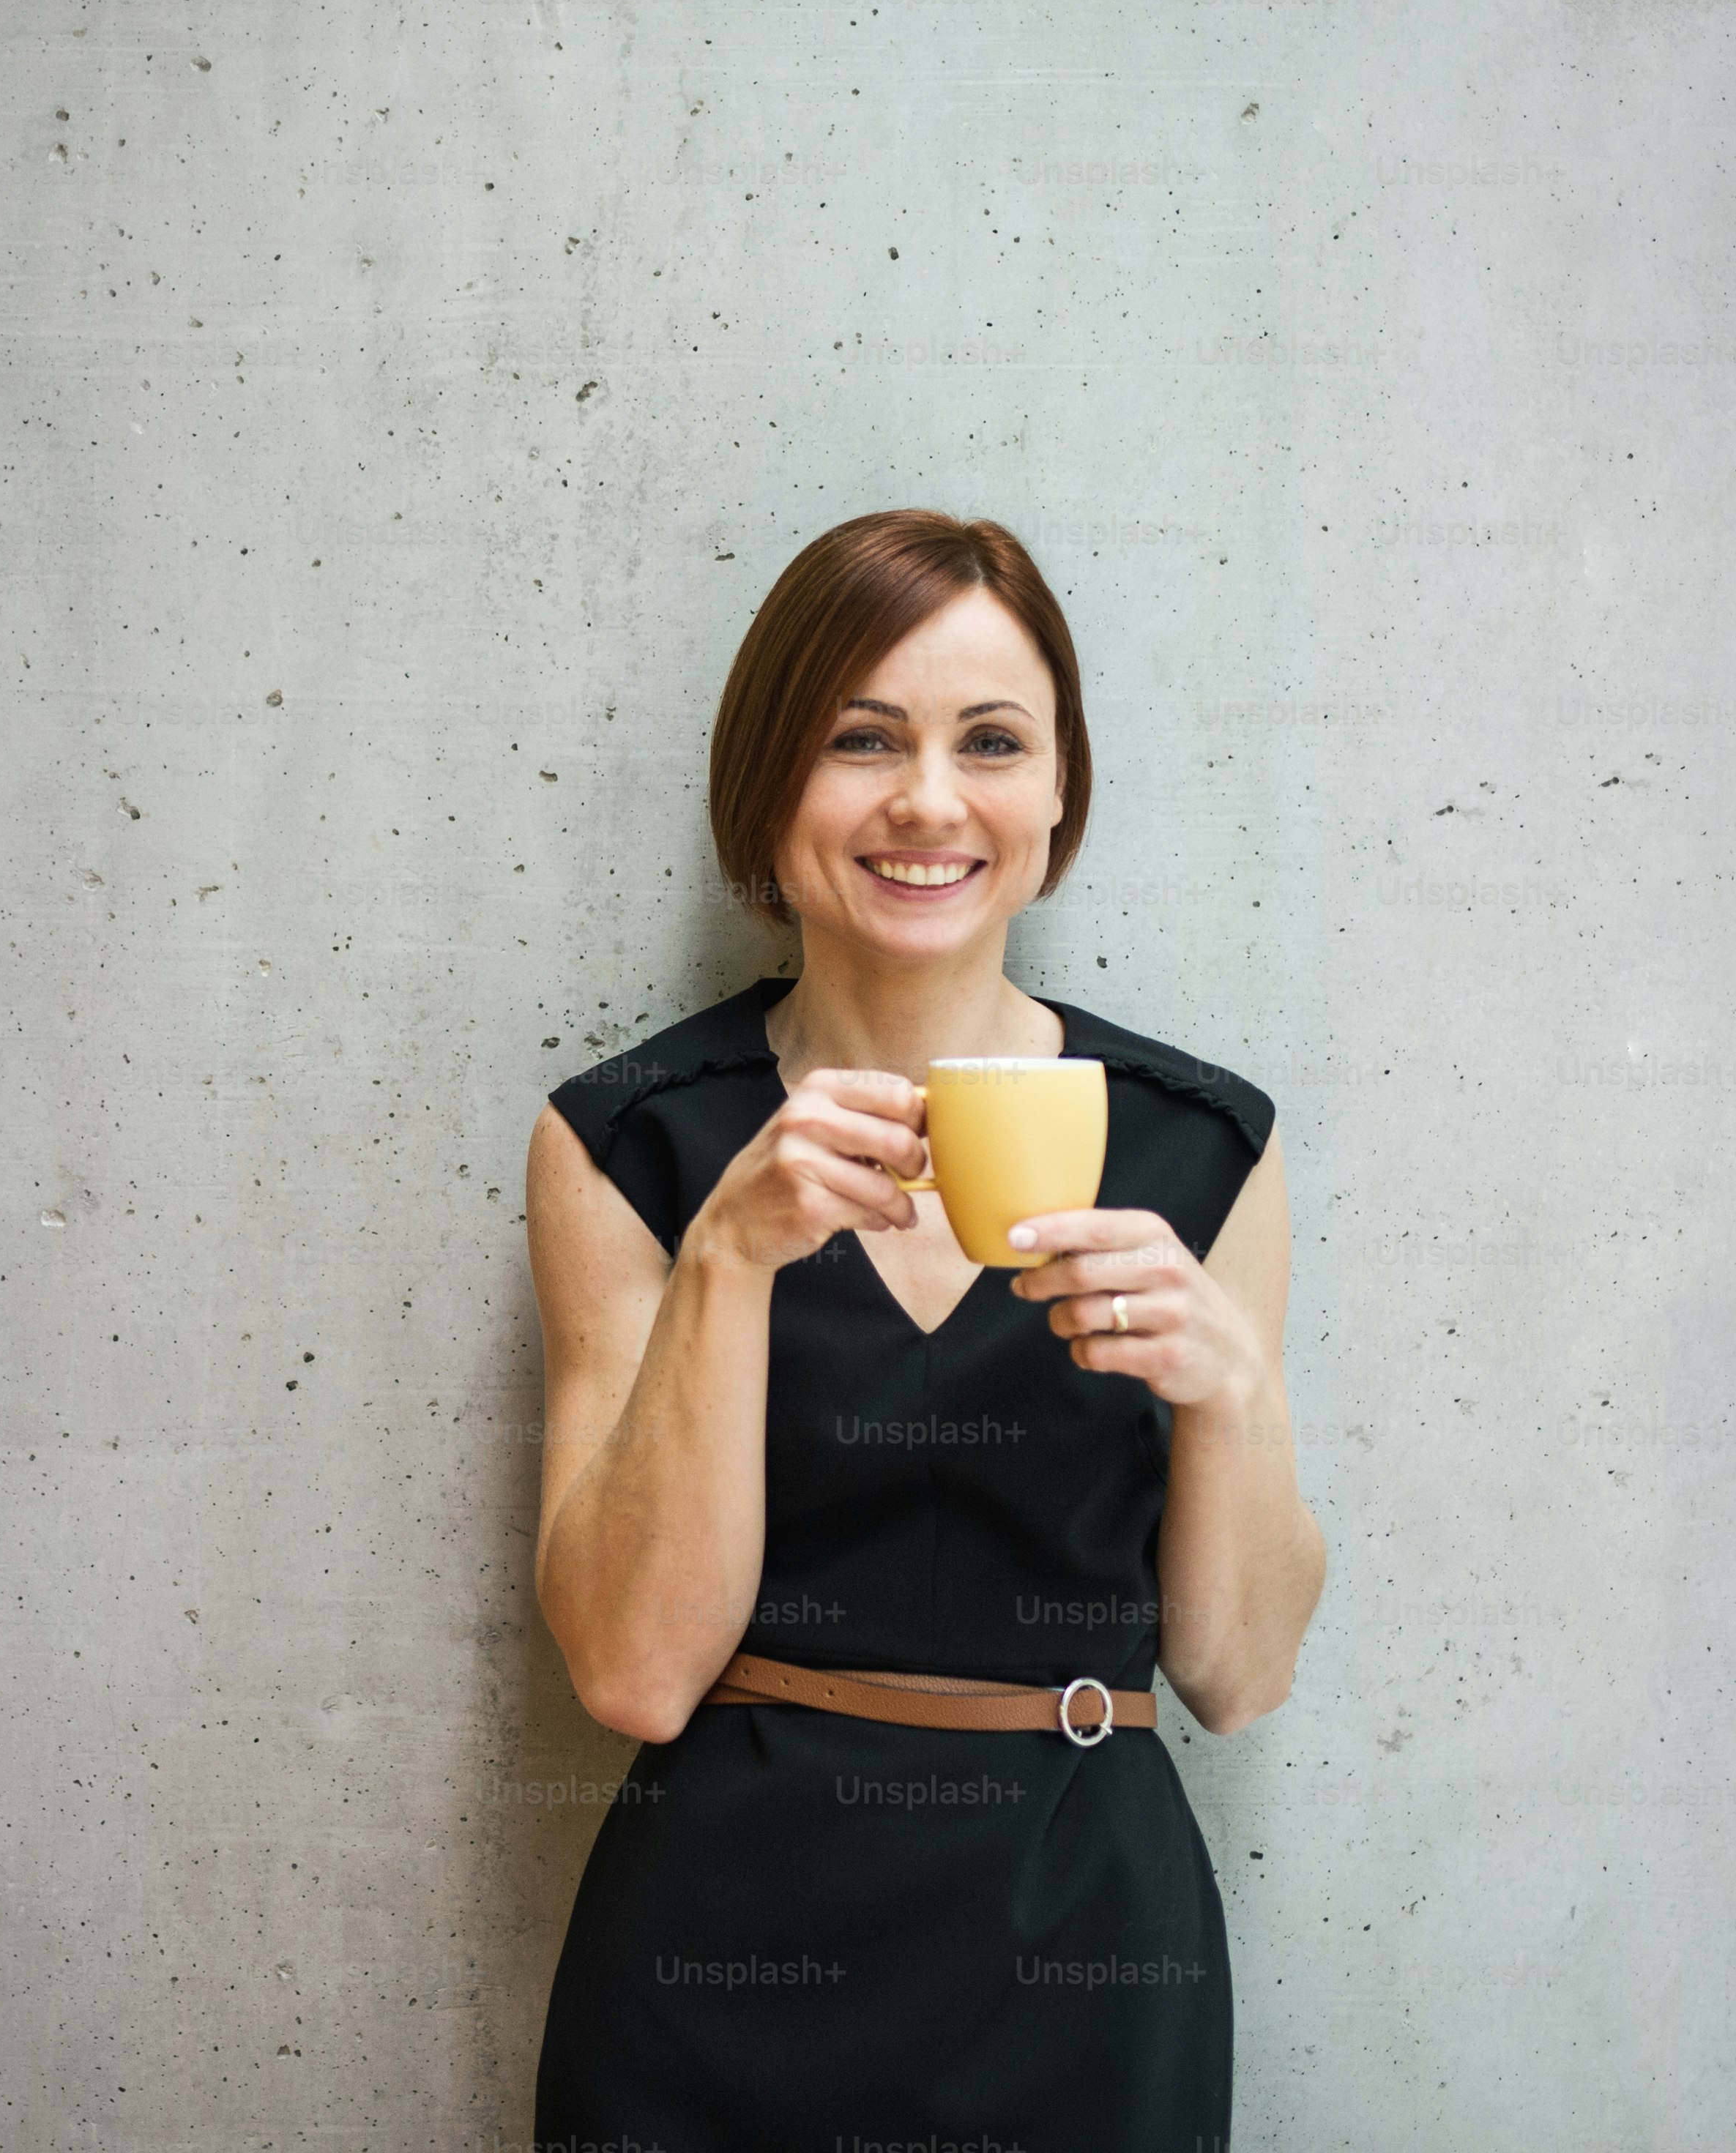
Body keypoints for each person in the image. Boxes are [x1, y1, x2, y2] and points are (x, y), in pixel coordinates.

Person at [526, 510, 1326, 2148]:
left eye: (991, 742)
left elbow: (1236, 1673)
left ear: (1056, 798)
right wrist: (728, 1267)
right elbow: (626, 1665)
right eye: (859, 737)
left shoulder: (1204, 1147)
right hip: (714, 1963)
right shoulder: (634, 1142)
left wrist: (1231, 1396)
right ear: (768, 785)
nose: (926, 799)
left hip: (1085, 1960)